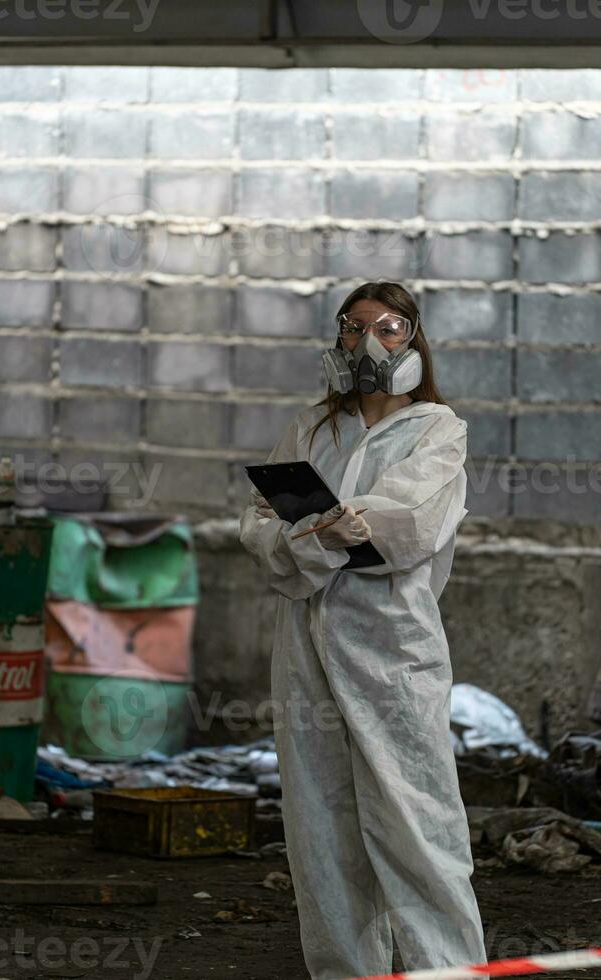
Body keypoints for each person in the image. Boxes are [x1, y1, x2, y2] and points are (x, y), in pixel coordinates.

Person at [239, 280, 488, 980]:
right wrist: (323, 537)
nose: (367, 342)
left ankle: (447, 971)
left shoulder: (438, 429)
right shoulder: (313, 428)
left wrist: (321, 534)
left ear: (412, 339)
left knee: (415, 821)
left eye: (388, 328)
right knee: (320, 828)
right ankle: (348, 972)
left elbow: (403, 530)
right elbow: (259, 527)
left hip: (391, 648)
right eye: (352, 329)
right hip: (307, 645)